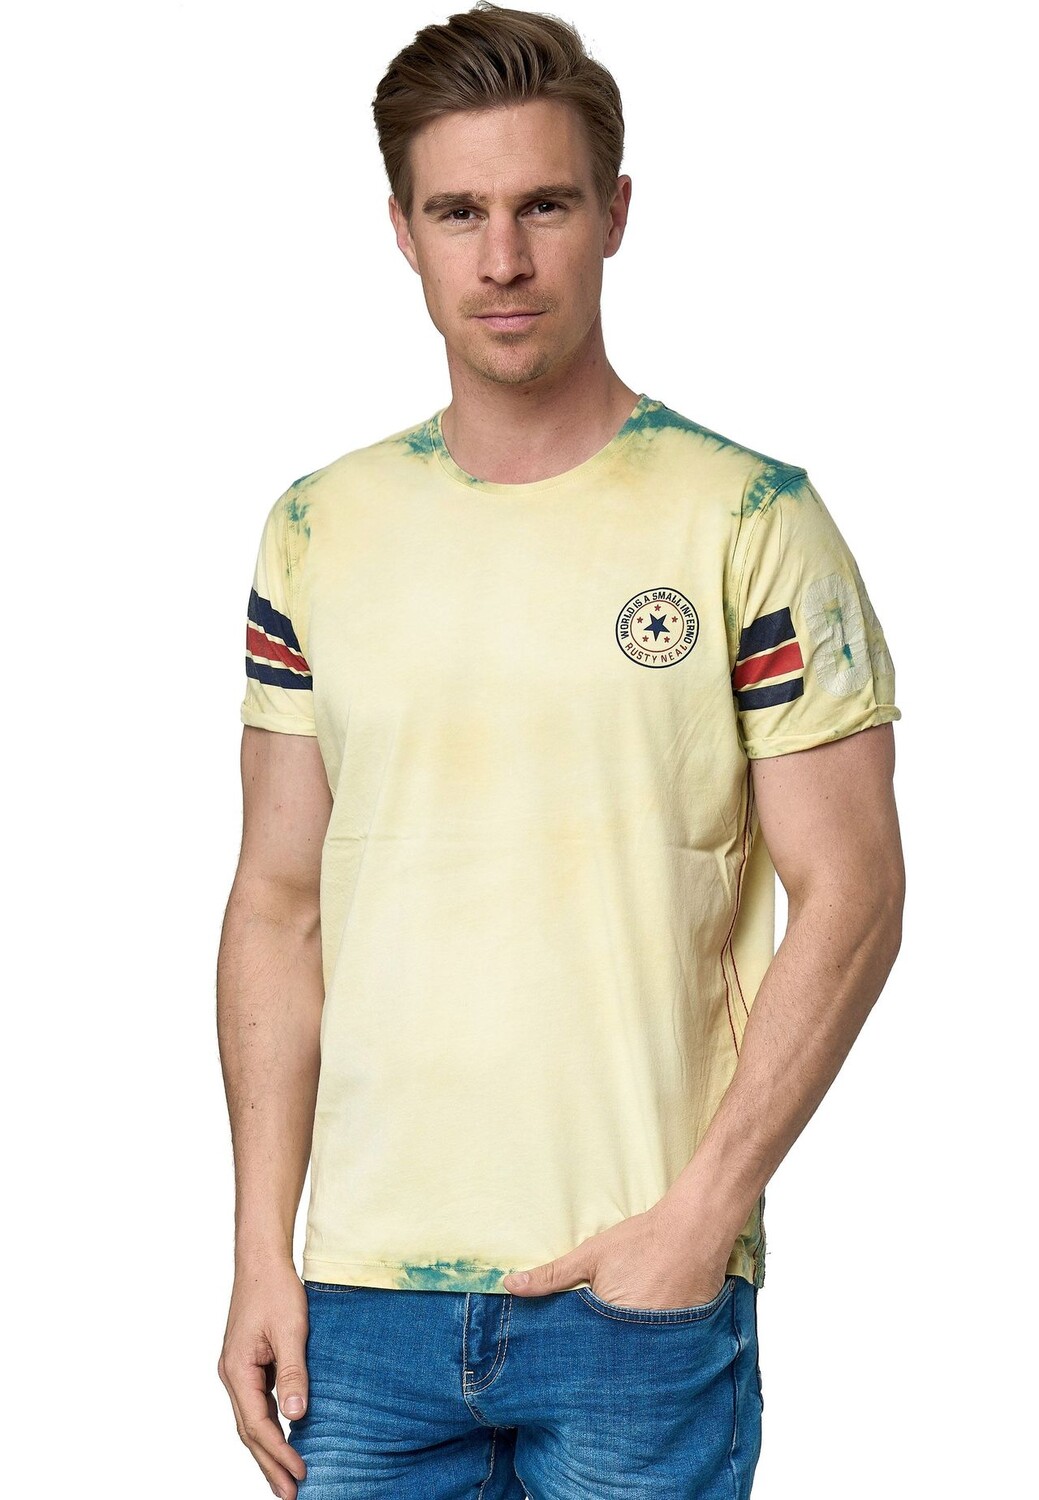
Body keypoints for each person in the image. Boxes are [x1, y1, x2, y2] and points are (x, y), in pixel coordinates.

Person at [216, 5, 906, 1497]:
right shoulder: (319, 530)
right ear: (402, 231)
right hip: (359, 1308)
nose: (503, 258)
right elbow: (278, 903)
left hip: (635, 1293)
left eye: (544, 205)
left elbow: (852, 891)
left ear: (616, 214)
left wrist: (700, 1219)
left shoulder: (747, 520)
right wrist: (261, 1248)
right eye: (457, 212)